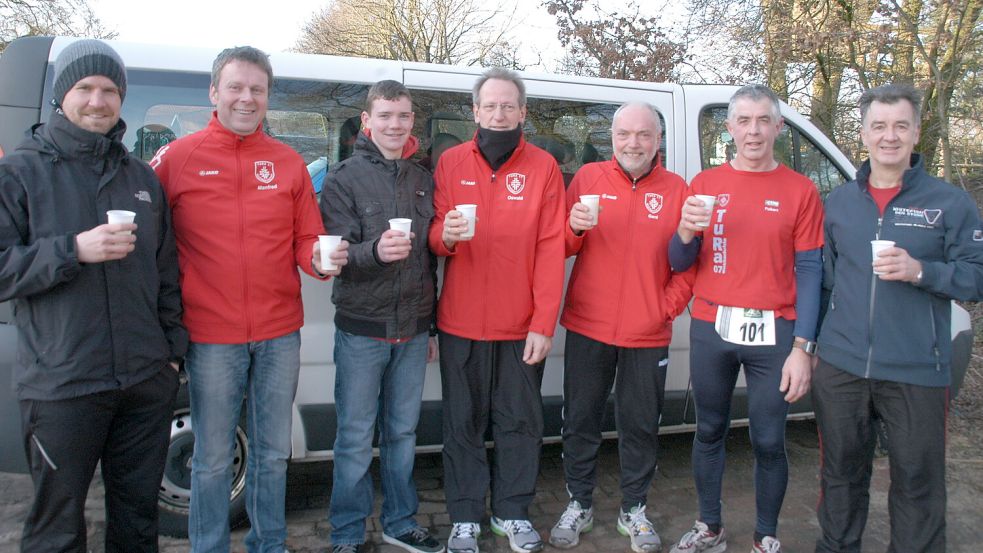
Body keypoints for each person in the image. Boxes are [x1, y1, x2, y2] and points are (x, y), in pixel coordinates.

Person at [150, 46, 349, 553]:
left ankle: (270, 544)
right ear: (214, 93)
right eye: (235, 87)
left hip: (280, 332)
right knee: (213, 457)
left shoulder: (287, 163)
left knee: (271, 453)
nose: (246, 98)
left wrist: (319, 261)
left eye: (257, 89)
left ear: (268, 97)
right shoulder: (178, 159)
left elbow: (307, 239)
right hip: (211, 335)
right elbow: (151, 246)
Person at [0, 39, 187, 552]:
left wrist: (170, 355)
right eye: (85, 88)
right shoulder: (20, 173)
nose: (98, 101)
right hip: (63, 384)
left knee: (137, 520)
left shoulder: (140, 178)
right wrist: (71, 250)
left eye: (109, 90)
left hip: (144, 382)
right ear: (63, 95)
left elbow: (166, 274)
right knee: (56, 528)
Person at [813, 84, 983, 553]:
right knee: (840, 478)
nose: (889, 137)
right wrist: (811, 348)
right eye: (879, 127)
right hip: (842, 367)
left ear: (916, 131)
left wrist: (922, 270)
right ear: (863, 134)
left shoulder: (950, 203)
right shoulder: (840, 202)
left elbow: (977, 276)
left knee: (917, 484)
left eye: (900, 126)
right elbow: (824, 281)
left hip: (916, 370)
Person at [666, 84, 824, 553]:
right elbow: (678, 261)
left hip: (775, 331)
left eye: (763, 121)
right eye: (744, 121)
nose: (753, 131)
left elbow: (811, 270)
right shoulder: (706, 184)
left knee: (769, 438)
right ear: (729, 128)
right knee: (709, 429)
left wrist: (804, 347)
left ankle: (765, 536)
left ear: (778, 127)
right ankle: (709, 527)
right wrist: (685, 229)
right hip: (713, 326)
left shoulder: (801, 190)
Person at [428, 67, 565, 553]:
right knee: (461, 424)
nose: (500, 113)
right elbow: (435, 233)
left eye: (509, 105)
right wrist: (445, 237)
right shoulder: (449, 163)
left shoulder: (544, 167)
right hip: (460, 321)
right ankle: (465, 518)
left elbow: (551, 248)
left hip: (519, 326)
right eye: (491, 105)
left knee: (519, 424)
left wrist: (543, 323)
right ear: (475, 111)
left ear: (523, 111)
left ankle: (512, 512)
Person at [548, 102, 694, 553]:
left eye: (643, 135)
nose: (633, 144)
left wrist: (662, 309)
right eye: (624, 135)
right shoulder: (589, 178)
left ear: (658, 140)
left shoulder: (677, 190)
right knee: (580, 420)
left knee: (640, 426)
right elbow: (560, 246)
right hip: (588, 325)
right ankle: (579, 503)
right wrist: (572, 227)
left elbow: (689, 265)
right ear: (612, 138)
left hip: (647, 334)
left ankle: (634, 509)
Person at [319, 80, 443, 553]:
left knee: (402, 434)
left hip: (411, 333)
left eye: (404, 116)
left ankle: (400, 521)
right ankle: (347, 535)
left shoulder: (421, 178)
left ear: (412, 122)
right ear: (367, 122)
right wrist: (375, 251)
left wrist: (429, 326)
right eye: (386, 116)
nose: (395, 125)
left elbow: (429, 263)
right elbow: (336, 254)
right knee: (353, 439)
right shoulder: (344, 178)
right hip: (361, 332)